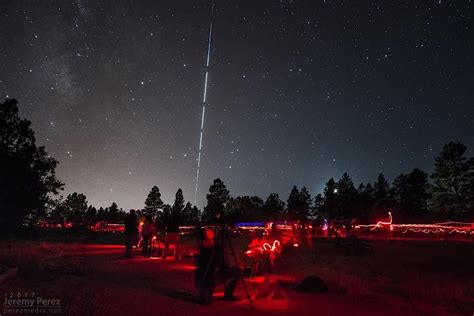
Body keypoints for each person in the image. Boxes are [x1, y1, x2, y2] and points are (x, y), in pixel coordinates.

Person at [195, 227, 240, 305]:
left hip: (215, 272)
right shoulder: (207, 248)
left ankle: (228, 294)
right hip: (207, 274)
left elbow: (221, 264)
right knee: (205, 301)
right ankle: (205, 293)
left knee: (238, 271)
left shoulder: (217, 248)